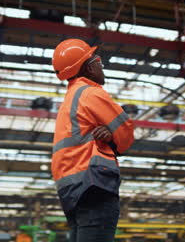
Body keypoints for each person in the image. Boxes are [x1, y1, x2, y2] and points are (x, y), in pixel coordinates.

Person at [51, 39, 135, 242]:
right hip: (93, 184)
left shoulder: (70, 99)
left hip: (71, 191)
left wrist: (107, 134)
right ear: (89, 68)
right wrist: (113, 138)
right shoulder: (90, 93)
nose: (101, 65)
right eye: (98, 60)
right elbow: (126, 136)